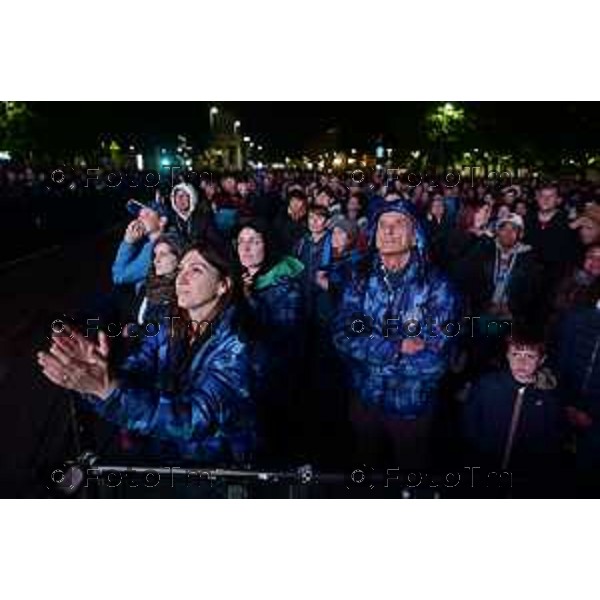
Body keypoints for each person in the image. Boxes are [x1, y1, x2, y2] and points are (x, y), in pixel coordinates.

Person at [37, 240, 259, 469]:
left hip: (214, 471)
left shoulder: (239, 345)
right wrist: (101, 371)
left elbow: (195, 420)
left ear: (223, 285)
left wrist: (109, 390)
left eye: (196, 270)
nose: (181, 278)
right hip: (161, 456)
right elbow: (138, 367)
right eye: (181, 269)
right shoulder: (170, 326)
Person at [331, 199, 459, 470]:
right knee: (364, 473)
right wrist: (397, 346)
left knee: (409, 477)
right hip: (365, 400)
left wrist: (369, 347)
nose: (389, 231)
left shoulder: (437, 285)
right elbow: (343, 334)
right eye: (383, 225)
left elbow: (435, 358)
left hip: (411, 407)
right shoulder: (359, 279)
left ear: (415, 236)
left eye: (398, 224)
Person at [235, 218, 305, 463]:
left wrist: (246, 298)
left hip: (273, 381)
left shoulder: (285, 283)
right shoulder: (239, 278)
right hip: (243, 381)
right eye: (241, 241)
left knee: (273, 446)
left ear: (268, 244)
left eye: (254, 241)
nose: (246, 248)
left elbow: (279, 333)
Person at [461, 331, 563, 494]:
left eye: (530, 356)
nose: (521, 362)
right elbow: (470, 422)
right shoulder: (487, 385)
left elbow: (549, 439)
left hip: (522, 473)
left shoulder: (548, 398)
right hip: (484, 464)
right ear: (507, 356)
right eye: (515, 354)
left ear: (541, 360)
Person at [523, 184, 580, 293]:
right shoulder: (526, 220)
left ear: (558, 200)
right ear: (537, 198)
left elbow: (573, 256)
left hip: (555, 284)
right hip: (527, 280)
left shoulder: (568, 224)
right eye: (542, 196)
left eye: (551, 196)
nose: (546, 199)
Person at [112, 202, 169, 292]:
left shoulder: (158, 249)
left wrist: (128, 242)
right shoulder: (146, 244)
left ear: (162, 221)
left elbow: (119, 276)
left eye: (147, 214)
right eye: (139, 215)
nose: (140, 219)